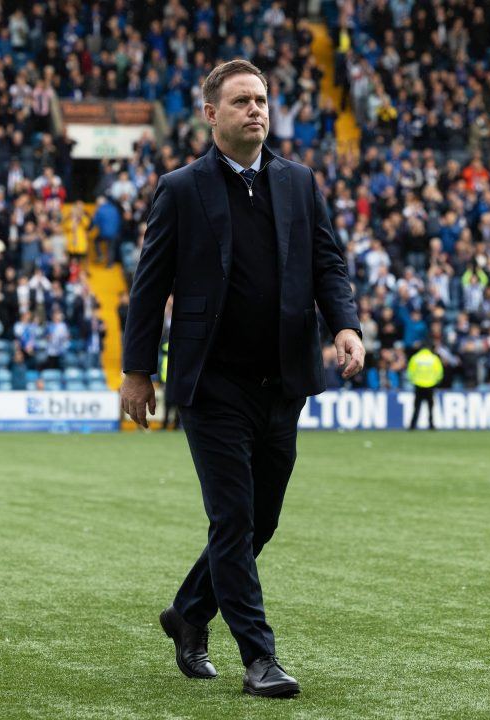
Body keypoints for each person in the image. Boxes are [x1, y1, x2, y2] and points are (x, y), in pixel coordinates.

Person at [120, 60, 363, 698]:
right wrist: (137, 371)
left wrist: (346, 325)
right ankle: (260, 657)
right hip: (212, 385)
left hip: (283, 380)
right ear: (211, 114)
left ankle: (188, 612)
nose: (256, 110)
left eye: (261, 100)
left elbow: (328, 262)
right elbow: (148, 291)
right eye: (241, 101)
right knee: (233, 519)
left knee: (262, 520)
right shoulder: (180, 188)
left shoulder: (299, 182)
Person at [407, 345, 443, 430]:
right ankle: (431, 425)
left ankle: (412, 425)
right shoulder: (434, 358)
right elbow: (439, 372)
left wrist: (414, 380)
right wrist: (435, 381)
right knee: (430, 407)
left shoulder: (415, 358)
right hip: (430, 385)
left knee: (416, 407)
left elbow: (410, 372)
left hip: (418, 384)